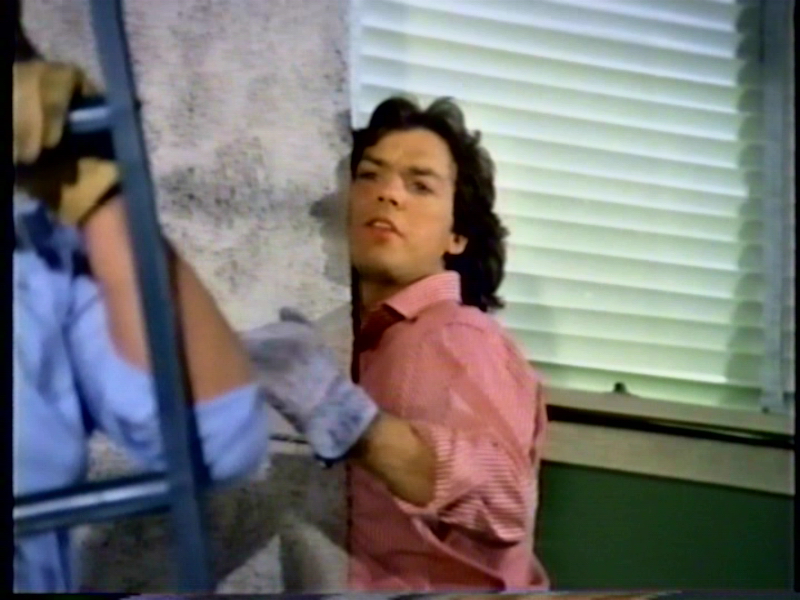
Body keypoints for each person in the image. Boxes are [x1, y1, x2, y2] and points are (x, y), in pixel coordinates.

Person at [247, 97, 549, 591]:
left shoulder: (458, 334)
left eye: (420, 185)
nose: (388, 193)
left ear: (457, 236)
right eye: (370, 175)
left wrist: (346, 419)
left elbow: (506, 500)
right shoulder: (365, 344)